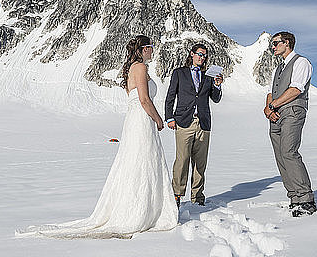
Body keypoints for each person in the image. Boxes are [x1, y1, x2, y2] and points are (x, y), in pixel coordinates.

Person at [16, 35, 177, 239]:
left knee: (135, 161)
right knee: (143, 161)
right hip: (143, 120)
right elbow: (144, 100)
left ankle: (138, 207)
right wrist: (159, 120)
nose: (153, 51)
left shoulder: (131, 69)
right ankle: (141, 211)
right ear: (144, 49)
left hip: (134, 120)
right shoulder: (141, 68)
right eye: (151, 47)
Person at [263, 31, 317, 217]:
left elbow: (296, 89)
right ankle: (294, 197)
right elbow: (271, 91)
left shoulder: (301, 62)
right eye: (272, 43)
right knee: (280, 155)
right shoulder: (278, 67)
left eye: (276, 43)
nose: (273, 46)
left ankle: (306, 199)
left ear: (287, 43)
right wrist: (268, 108)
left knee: (289, 152)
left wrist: (274, 105)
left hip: (293, 111)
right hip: (276, 114)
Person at [165, 43, 223, 207]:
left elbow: (215, 98)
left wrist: (217, 85)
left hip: (203, 123)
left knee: (200, 163)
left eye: (204, 55)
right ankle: (177, 195)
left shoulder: (208, 75)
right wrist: (169, 118)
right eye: (199, 54)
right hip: (184, 122)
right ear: (192, 54)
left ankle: (197, 197)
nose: (201, 57)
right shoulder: (179, 73)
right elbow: (170, 97)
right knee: (182, 160)